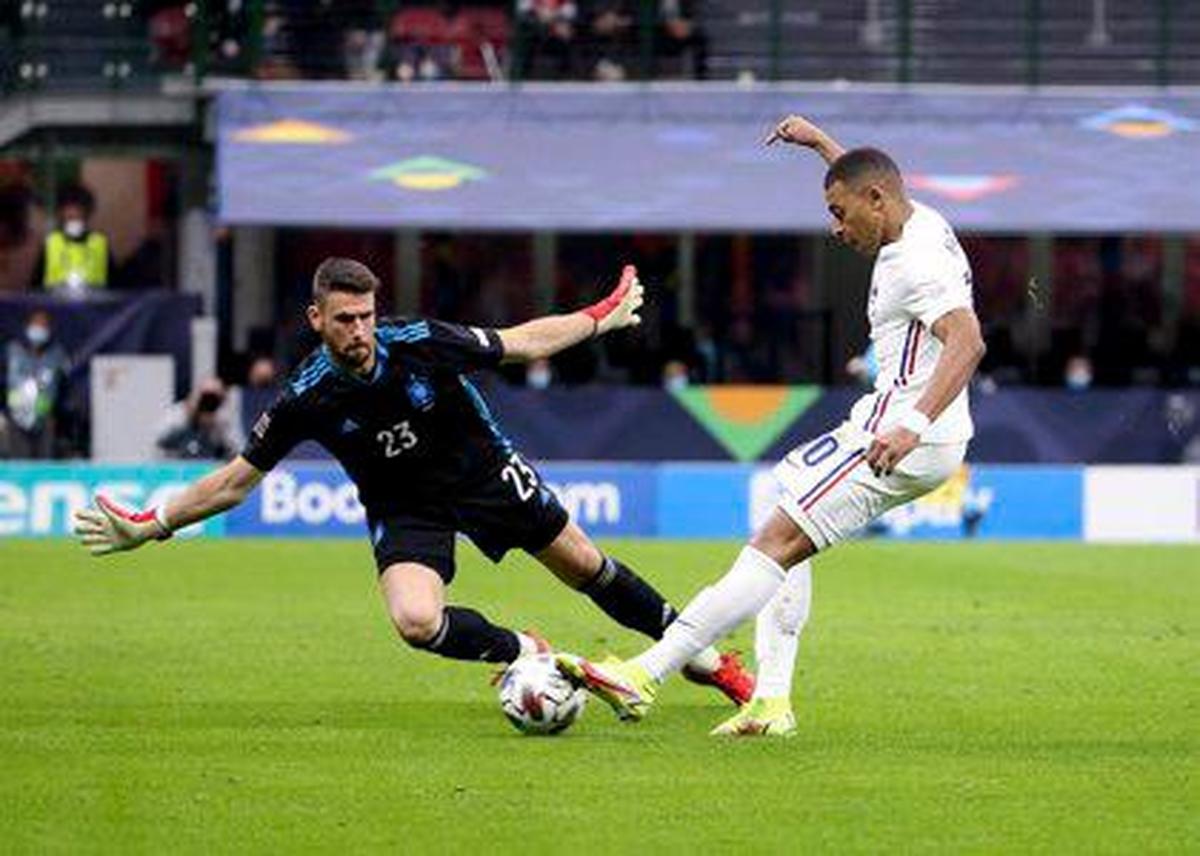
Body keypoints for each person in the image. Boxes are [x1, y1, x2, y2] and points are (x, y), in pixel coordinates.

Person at [73, 257, 753, 705]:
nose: (361, 330)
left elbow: (520, 342)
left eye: (367, 315)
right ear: (317, 320)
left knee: (586, 564)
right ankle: (529, 650)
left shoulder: (418, 340)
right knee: (415, 621)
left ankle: (708, 661)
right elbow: (232, 484)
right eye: (345, 319)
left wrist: (597, 317)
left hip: (482, 470)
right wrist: (154, 523)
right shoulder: (306, 397)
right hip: (405, 506)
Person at [558, 115, 986, 736]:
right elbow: (865, 175)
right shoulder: (919, 218)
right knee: (785, 494)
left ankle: (645, 673)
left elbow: (968, 341)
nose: (836, 230)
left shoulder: (913, 263)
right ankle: (771, 702)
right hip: (893, 421)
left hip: (901, 434)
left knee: (773, 544)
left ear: (876, 201)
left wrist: (913, 425)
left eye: (841, 215)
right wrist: (819, 145)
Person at [3, 309, 69, 459]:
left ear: (49, 329)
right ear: (27, 326)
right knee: (19, 465)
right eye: (36, 324)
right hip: (17, 417)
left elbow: (65, 386)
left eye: (43, 325)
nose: (39, 328)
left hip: (44, 419)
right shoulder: (13, 350)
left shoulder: (56, 355)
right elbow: (4, 380)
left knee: (44, 465)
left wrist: (58, 413)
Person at [32, 184, 116, 293]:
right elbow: (35, 287)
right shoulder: (51, 243)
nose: (72, 213)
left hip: (93, 306)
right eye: (67, 208)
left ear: (87, 211)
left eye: (77, 208)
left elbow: (115, 286)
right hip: (57, 306)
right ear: (60, 212)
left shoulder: (99, 243)